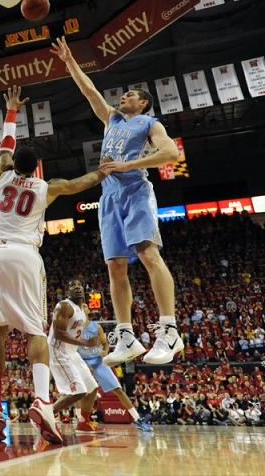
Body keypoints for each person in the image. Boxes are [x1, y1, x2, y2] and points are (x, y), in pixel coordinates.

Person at [0, 85, 107, 444]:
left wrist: (11, 111)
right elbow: (80, 183)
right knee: (36, 333)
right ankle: (41, 400)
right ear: (36, 167)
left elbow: (4, 149)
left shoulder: (1, 176)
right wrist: (104, 172)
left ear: (14, 165)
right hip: (23, 253)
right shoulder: (45, 188)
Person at [51, 36, 183, 366]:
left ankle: (169, 330)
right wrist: (69, 62)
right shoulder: (111, 119)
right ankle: (126, 336)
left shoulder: (150, 123)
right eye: (123, 95)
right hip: (108, 196)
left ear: (142, 104)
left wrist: (128, 165)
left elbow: (170, 153)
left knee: (148, 253)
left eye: (130, 95)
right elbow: (89, 91)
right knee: (115, 266)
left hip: (135, 190)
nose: (123, 97)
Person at [73, 284, 153, 432]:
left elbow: (105, 344)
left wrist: (104, 352)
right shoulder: (73, 327)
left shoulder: (96, 327)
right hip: (82, 362)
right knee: (80, 392)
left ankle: (137, 419)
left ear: (88, 310)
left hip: (97, 361)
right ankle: (82, 421)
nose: (82, 308)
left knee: (118, 389)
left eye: (84, 306)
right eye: (80, 307)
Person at [46, 282, 99, 432]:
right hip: (58, 350)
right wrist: (85, 343)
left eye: (80, 285)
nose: (77, 287)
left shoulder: (82, 309)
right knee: (79, 392)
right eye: (72, 285)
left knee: (92, 388)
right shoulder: (64, 306)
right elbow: (58, 333)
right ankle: (46, 415)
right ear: (67, 291)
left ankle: (83, 422)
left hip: (72, 352)